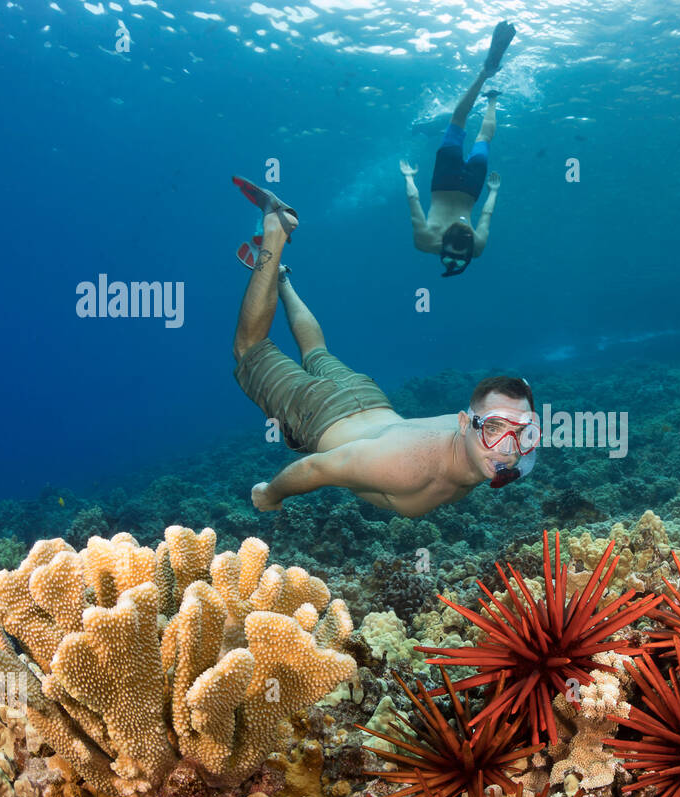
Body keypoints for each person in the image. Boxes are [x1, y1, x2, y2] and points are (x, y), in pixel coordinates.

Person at [227, 176, 540, 517]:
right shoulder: (403, 467)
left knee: (317, 352)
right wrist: (271, 494)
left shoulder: (498, 450)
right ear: (464, 423)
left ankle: (282, 279)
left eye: (521, 435)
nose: (507, 451)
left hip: (369, 399)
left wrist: (519, 413)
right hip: (318, 413)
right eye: (493, 430)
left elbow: (512, 434)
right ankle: (275, 230)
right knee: (249, 349)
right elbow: (314, 470)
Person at [403, 20, 517, 277]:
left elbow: (486, 215)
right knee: (458, 119)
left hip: (472, 187)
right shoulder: (424, 241)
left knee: (483, 139)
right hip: (444, 180)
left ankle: (492, 99)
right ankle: (484, 76)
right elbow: (413, 202)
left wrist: (493, 191)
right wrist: (408, 177)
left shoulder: (475, 249)